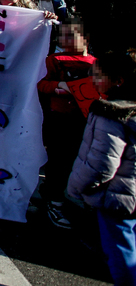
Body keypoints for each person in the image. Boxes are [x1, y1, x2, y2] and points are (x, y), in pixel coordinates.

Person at [67, 49, 136, 286]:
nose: (92, 80)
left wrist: (75, 189)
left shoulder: (110, 112)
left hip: (116, 199)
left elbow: (101, 164)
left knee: (122, 256)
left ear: (118, 80)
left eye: (98, 75)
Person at [36, 19, 96, 229]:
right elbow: (40, 83)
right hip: (60, 119)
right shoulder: (54, 60)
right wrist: (58, 87)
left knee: (79, 161)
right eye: (62, 36)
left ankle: (64, 196)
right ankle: (54, 200)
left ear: (85, 38)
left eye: (71, 36)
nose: (65, 40)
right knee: (59, 160)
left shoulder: (95, 63)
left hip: (87, 121)